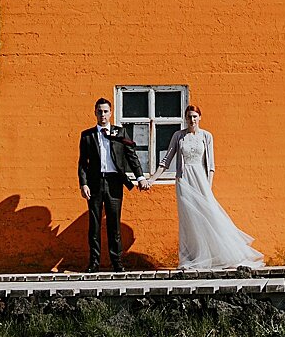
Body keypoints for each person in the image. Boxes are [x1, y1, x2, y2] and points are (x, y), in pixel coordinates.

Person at [142, 104, 264, 270]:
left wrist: (208, 188)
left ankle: (225, 255)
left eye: (194, 116)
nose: (192, 120)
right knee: (189, 221)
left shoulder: (206, 136)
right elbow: (166, 161)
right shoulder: (178, 136)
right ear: (185, 119)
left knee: (210, 216)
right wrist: (152, 179)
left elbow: (211, 165)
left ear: (199, 118)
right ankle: (190, 259)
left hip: (201, 180)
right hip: (184, 181)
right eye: (189, 117)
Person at [77, 96, 145, 272]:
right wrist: (83, 184)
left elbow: (131, 155)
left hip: (114, 182)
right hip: (95, 183)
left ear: (111, 113)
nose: (103, 115)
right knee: (94, 224)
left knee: (114, 224)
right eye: (99, 111)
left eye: (106, 111)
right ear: (95, 113)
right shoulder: (87, 135)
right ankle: (94, 263)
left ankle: (117, 262)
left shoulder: (120, 132)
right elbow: (83, 162)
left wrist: (140, 177)